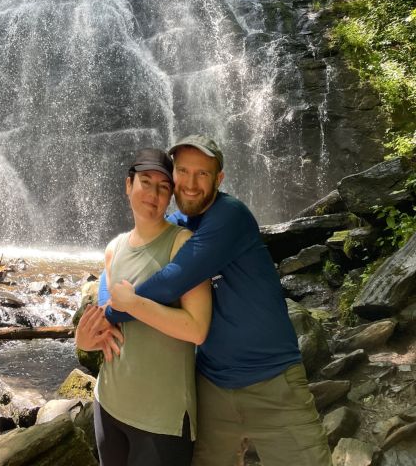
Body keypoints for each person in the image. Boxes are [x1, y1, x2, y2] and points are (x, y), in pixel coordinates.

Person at [95, 134, 332, 466]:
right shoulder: (177, 226)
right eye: (183, 172)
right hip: (211, 387)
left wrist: (113, 313)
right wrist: (106, 302)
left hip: (273, 383)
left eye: (203, 174)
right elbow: (116, 266)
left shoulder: (229, 215)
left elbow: (170, 282)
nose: (191, 184)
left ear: (219, 179)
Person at [76, 147, 212, 466]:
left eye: (163, 187)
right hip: (108, 403)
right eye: (145, 182)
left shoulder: (183, 245)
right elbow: (106, 325)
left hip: (161, 420)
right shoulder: (114, 249)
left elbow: (198, 329)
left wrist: (135, 304)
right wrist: (84, 342)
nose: (153, 194)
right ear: (128, 185)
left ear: (170, 198)